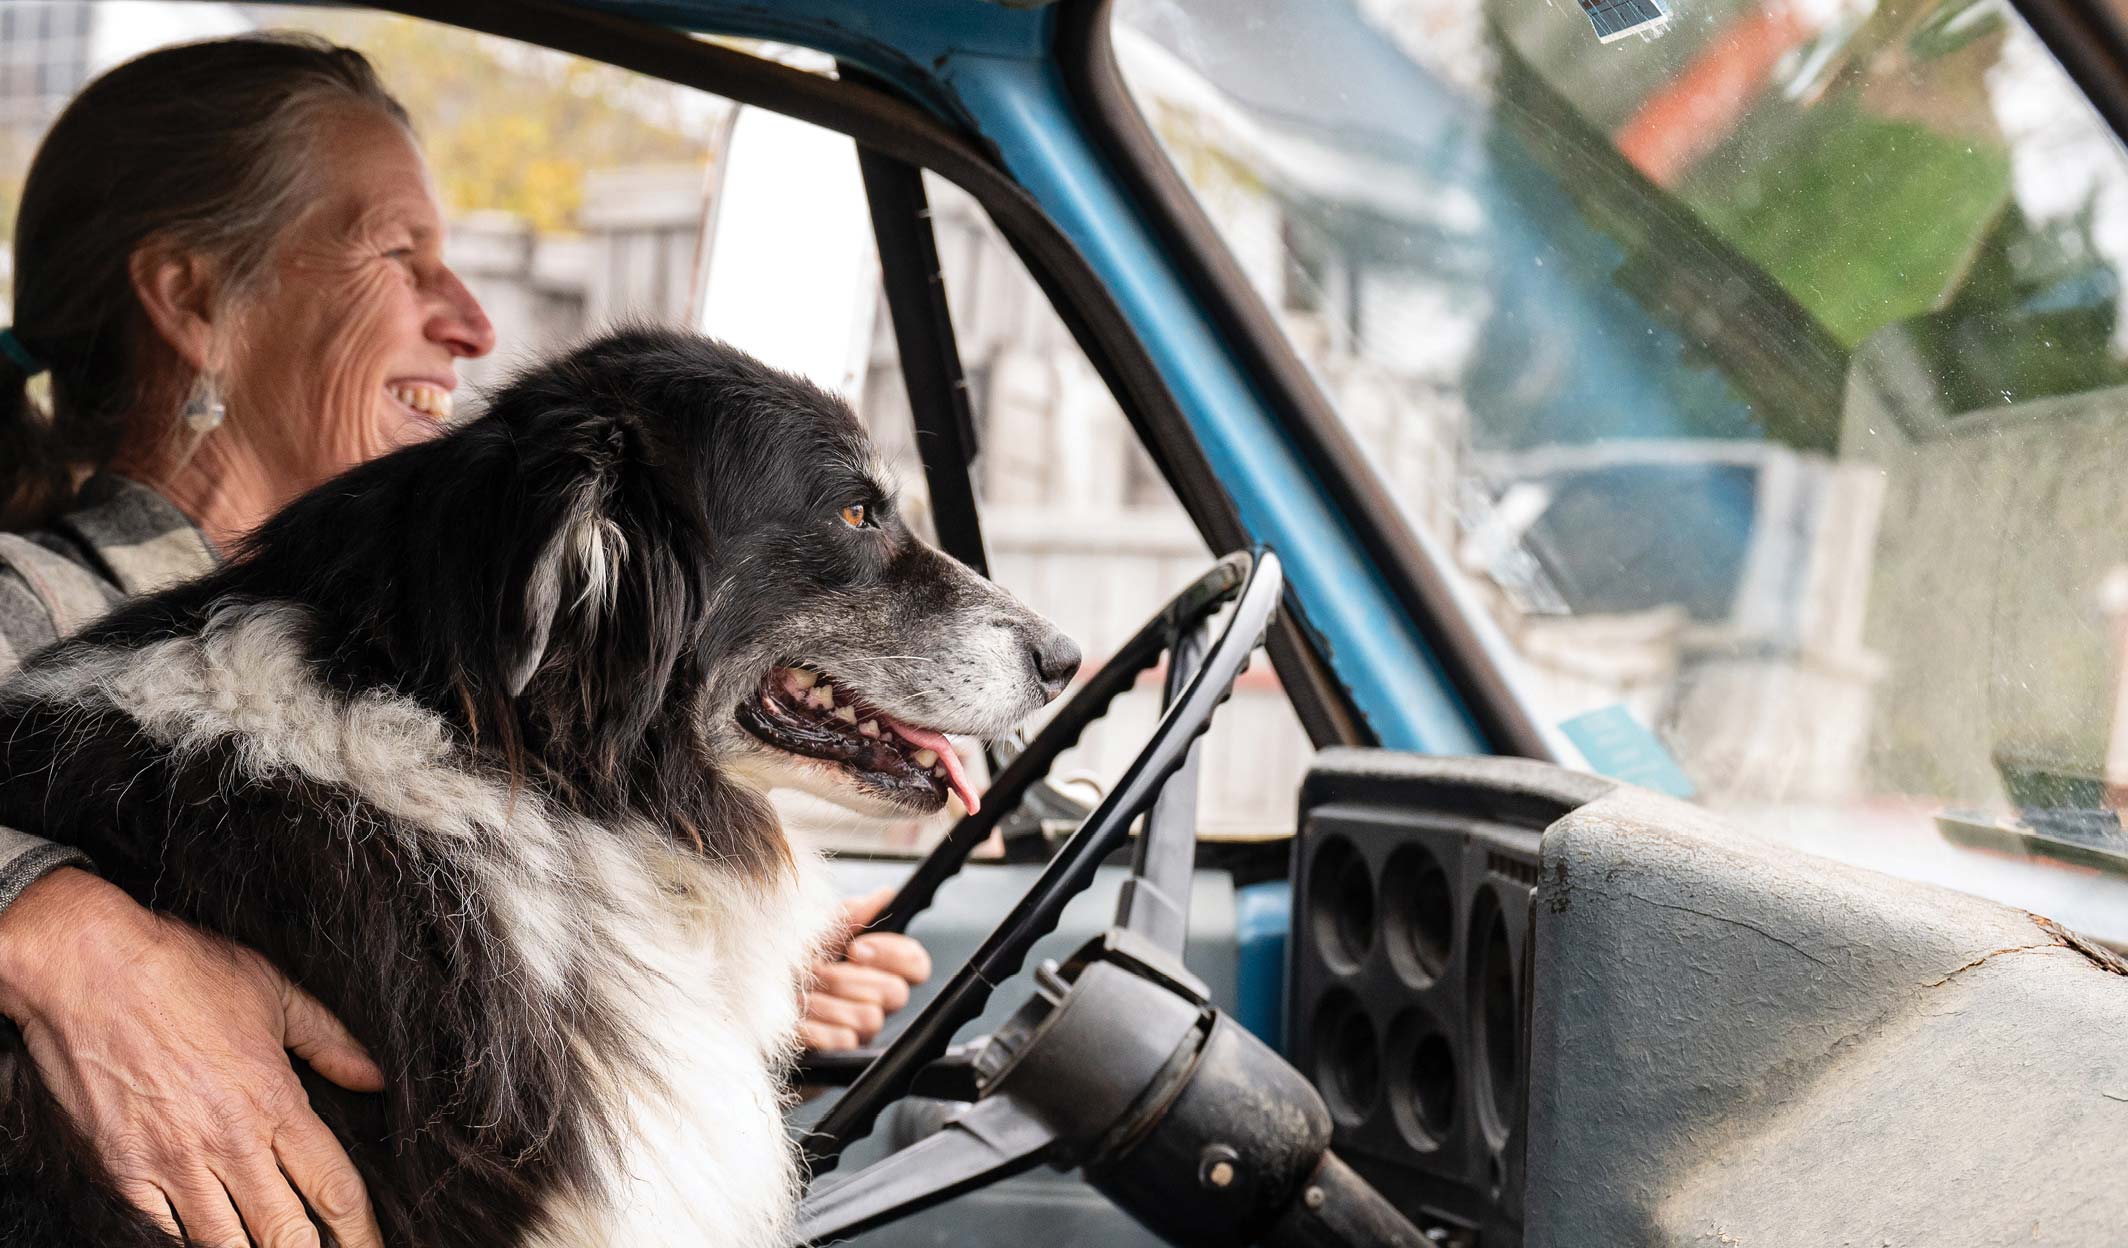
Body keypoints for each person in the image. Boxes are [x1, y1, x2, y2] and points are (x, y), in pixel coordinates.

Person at [0, 34, 929, 1248]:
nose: (475, 322)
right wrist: (68, 932)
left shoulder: (407, 647)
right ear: (192, 299)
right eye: (399, 256)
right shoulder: (30, 595)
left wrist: (726, 981)